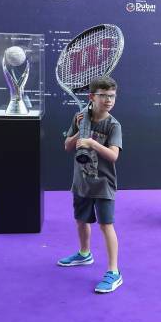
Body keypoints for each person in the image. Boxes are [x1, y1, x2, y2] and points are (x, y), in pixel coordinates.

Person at [57, 76, 124, 294]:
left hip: (103, 184)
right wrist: (78, 131)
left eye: (112, 96)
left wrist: (93, 143)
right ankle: (84, 254)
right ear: (91, 97)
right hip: (81, 182)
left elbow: (113, 156)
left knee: (106, 225)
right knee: (81, 220)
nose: (108, 100)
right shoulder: (80, 117)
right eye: (103, 96)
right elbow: (67, 146)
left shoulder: (114, 125)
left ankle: (114, 272)